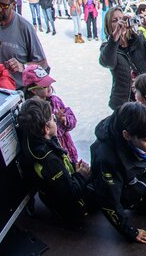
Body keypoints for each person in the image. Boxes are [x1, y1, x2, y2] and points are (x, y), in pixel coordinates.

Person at [90, 102, 146, 244]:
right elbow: (108, 200)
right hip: (120, 188)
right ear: (127, 135)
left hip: (138, 178)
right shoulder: (106, 158)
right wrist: (129, 231)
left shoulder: (145, 134)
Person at [18, 97, 92, 227]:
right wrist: (81, 174)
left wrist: (73, 169)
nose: (55, 120)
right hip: (73, 210)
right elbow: (70, 194)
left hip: (57, 195)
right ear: (46, 129)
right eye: (52, 118)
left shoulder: (33, 141)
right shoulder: (50, 161)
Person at [100, 5, 146, 111]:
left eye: (122, 19)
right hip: (124, 102)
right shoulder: (107, 47)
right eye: (114, 20)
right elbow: (107, 62)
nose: (120, 22)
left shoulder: (138, 39)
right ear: (109, 25)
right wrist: (115, 38)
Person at [23, 64, 79, 164]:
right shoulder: (32, 111)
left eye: (49, 83)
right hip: (52, 154)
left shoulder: (56, 101)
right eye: (45, 85)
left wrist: (65, 120)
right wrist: (57, 123)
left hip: (68, 149)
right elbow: (45, 135)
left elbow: (73, 119)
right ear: (34, 90)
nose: (49, 87)